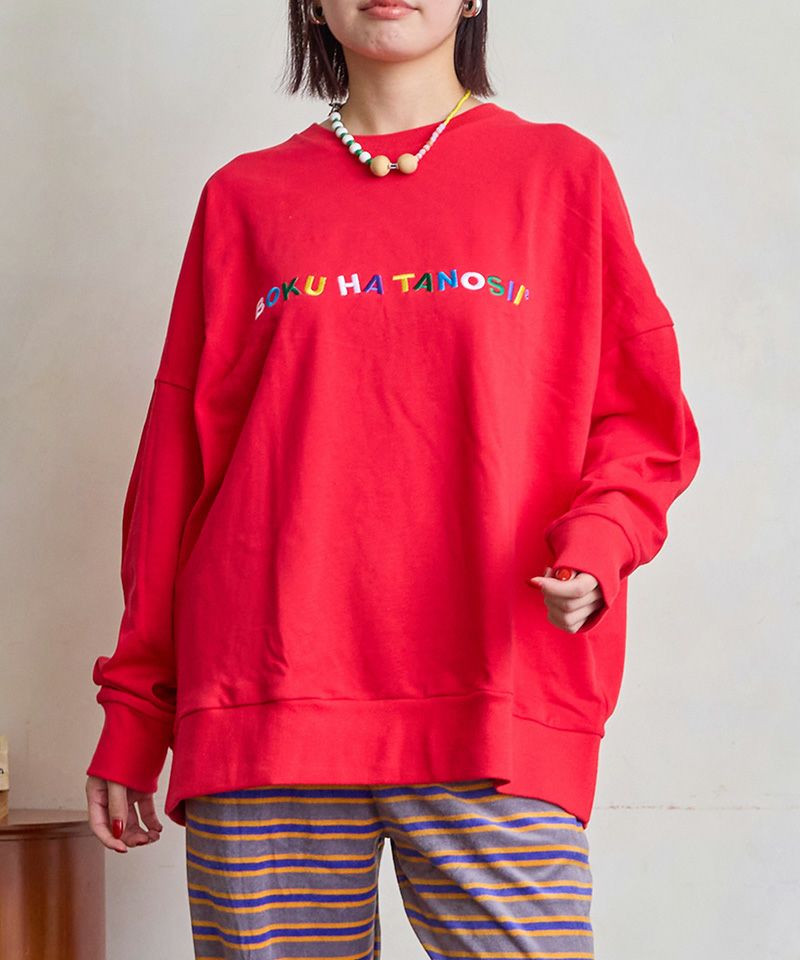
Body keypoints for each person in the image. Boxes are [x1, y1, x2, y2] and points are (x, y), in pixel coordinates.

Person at [85, 1, 701, 957]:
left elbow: (642, 419)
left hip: (493, 699)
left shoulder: (559, 176)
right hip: (265, 702)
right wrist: (136, 710)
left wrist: (598, 545)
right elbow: (176, 469)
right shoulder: (244, 198)